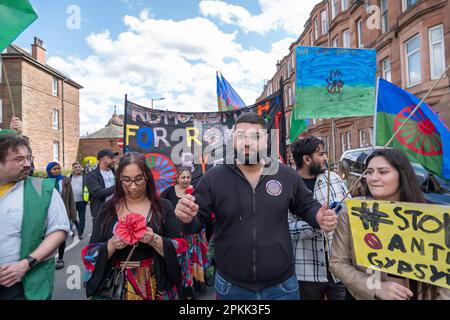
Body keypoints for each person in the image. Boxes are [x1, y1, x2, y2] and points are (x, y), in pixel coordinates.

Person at [175, 113, 337, 300]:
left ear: (265, 140)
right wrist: (186, 218)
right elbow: (195, 223)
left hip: (281, 287)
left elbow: (307, 205)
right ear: (233, 139)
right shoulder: (213, 178)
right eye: (241, 135)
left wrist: (319, 217)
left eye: (255, 136)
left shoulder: (285, 175)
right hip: (232, 288)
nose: (247, 142)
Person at [329, 148, 450, 300]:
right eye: (369, 171)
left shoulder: (431, 219)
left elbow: (445, 277)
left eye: (383, 172)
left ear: (402, 175)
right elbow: (337, 262)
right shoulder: (352, 211)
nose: (373, 178)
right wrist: (375, 287)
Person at [83, 152, 184, 300]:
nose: (133, 187)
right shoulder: (108, 209)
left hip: (155, 282)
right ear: (119, 180)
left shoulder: (163, 206)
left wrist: (155, 239)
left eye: (138, 179)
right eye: (127, 180)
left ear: (147, 177)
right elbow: (90, 254)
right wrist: (111, 244)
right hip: (116, 285)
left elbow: (180, 248)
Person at [0, 134, 70, 300]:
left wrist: (26, 264)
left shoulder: (43, 189)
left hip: (24, 284)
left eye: (28, 158)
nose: (27, 164)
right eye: (18, 159)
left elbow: (59, 230)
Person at [288, 136, 349, 300]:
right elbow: (285, 229)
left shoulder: (334, 179)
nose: (326, 158)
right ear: (307, 159)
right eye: (321, 154)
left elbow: (347, 212)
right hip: (307, 273)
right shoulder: (287, 186)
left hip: (338, 267)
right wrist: (318, 223)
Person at [161, 166, 209, 300]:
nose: (186, 180)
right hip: (176, 236)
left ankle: (192, 288)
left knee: (193, 262)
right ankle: (181, 288)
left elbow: (202, 213)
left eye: (188, 177)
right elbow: (160, 207)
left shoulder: (196, 192)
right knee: (181, 263)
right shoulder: (169, 192)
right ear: (177, 178)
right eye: (183, 177)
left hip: (193, 237)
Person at [46, 162, 77, 270]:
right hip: (49, 213)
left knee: (61, 236)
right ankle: (48, 258)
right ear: (49, 170)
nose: (57, 171)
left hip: (63, 213)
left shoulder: (65, 181)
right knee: (49, 237)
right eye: (54, 169)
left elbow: (71, 199)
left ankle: (60, 259)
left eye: (58, 168)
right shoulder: (44, 182)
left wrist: (73, 217)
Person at [85, 149, 118, 225]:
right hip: (101, 213)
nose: (114, 160)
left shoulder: (115, 172)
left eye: (114, 158)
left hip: (116, 211)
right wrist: (118, 186)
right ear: (102, 159)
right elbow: (98, 193)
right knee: (100, 235)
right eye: (111, 158)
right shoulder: (91, 175)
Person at [70, 162, 88, 239]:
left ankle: (80, 232)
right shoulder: (70, 177)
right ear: (73, 169)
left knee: (82, 218)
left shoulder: (86, 177)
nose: (77, 168)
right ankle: (77, 227)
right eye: (75, 167)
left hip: (82, 201)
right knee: (72, 217)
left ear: (81, 168)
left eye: (79, 167)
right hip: (72, 201)